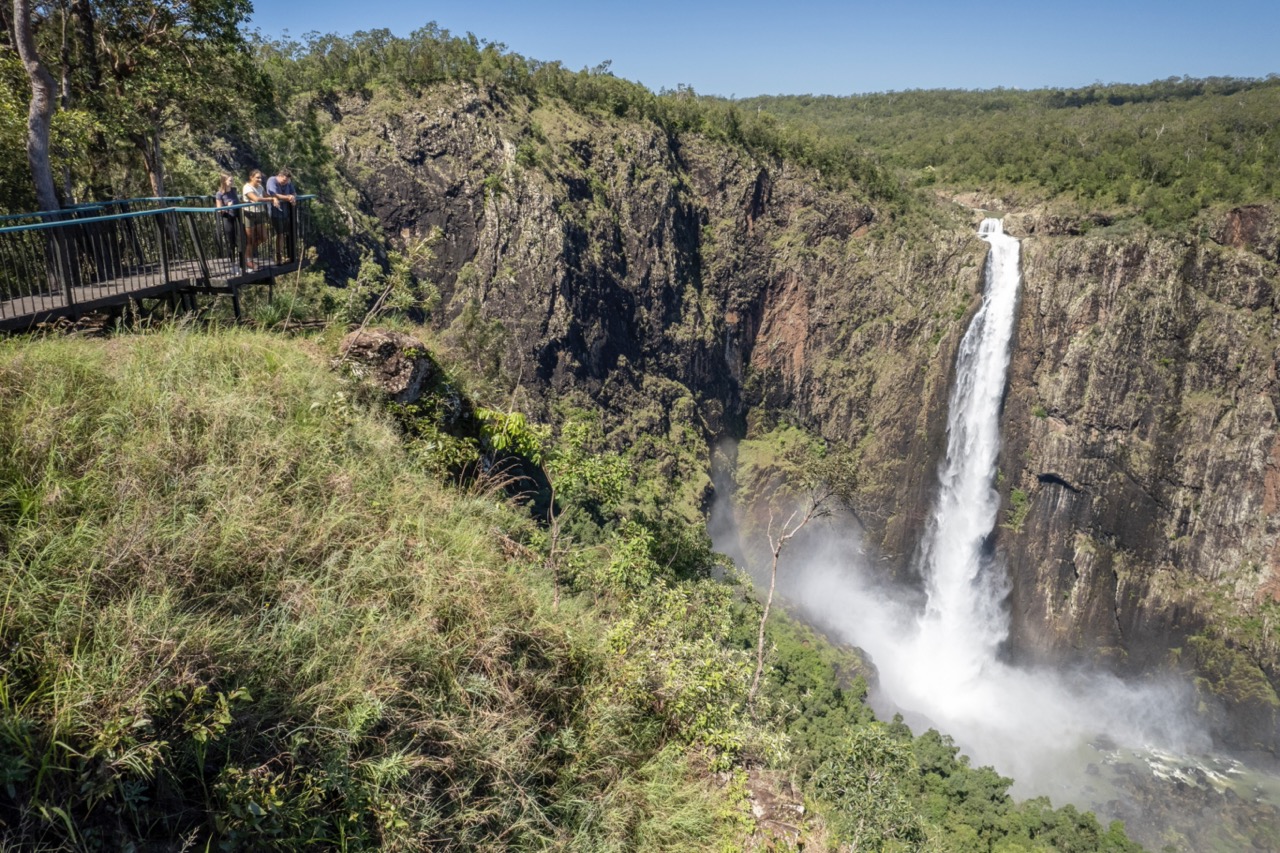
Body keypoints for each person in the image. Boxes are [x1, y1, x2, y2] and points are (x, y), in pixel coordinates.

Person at [214, 173, 250, 273]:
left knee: (241, 241)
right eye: (230, 180)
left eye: (232, 180)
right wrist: (227, 207)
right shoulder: (220, 194)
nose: (232, 182)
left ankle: (243, 266)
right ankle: (233, 265)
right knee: (231, 242)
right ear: (224, 181)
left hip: (237, 218)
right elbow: (219, 209)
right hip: (228, 218)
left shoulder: (234, 190)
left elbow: (237, 201)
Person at [241, 169, 274, 268]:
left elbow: (266, 195)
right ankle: (248, 260)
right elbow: (256, 199)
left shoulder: (260, 187)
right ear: (251, 177)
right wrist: (271, 199)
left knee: (263, 237)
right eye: (257, 177)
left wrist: (275, 197)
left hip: (259, 213)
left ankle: (247, 254)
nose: (260, 179)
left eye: (260, 178)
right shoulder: (247, 187)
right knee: (250, 239)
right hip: (249, 214)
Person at [265, 168, 298, 263]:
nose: (285, 182)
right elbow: (274, 194)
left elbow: (293, 192)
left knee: (285, 233)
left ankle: (287, 254)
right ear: (279, 176)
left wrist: (293, 197)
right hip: (275, 211)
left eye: (287, 181)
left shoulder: (288, 182)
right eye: (283, 180)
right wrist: (288, 197)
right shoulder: (272, 180)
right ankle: (278, 255)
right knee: (279, 233)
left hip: (285, 212)